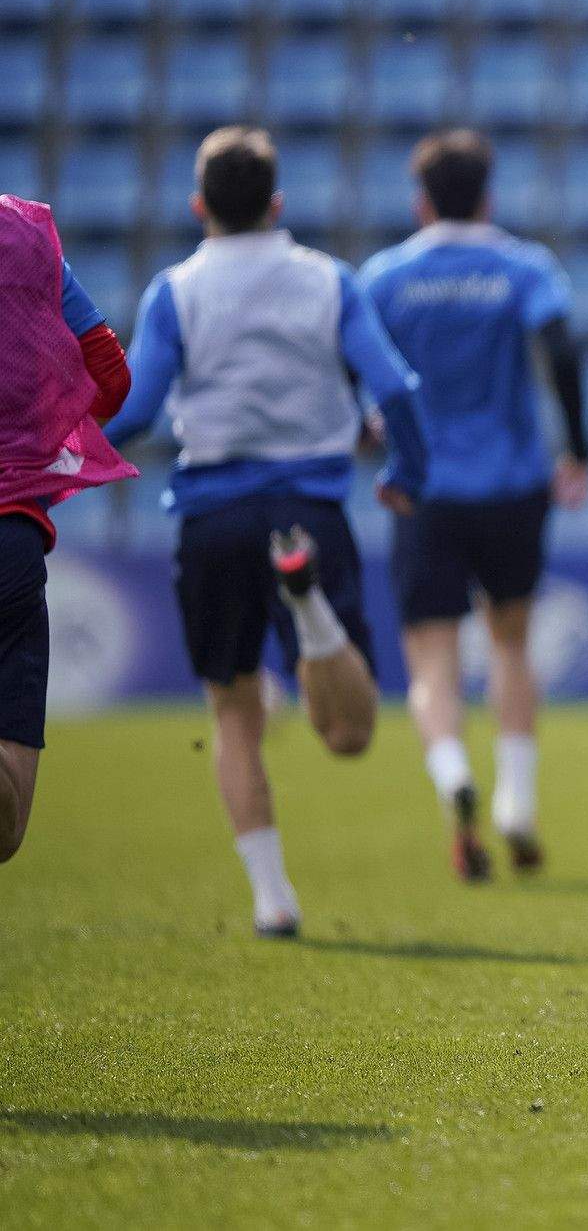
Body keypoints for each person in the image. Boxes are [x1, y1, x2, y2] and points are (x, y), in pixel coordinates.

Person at [103, 126, 428, 938]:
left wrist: (67, 451)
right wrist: (405, 474)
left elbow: (137, 409)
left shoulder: (174, 291)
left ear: (198, 205)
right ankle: (310, 611)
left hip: (212, 511)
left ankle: (272, 899)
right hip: (308, 509)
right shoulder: (329, 280)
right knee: (349, 734)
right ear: (279, 204)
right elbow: (395, 385)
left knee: (234, 711)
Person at [359, 129, 588, 883]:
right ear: (488, 196)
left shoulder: (386, 277)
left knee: (432, 655)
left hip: (424, 487)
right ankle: (517, 801)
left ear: (421, 200)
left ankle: (454, 771)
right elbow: (560, 350)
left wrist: (371, 437)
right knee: (512, 643)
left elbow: (351, 373)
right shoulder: (523, 266)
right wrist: (577, 449)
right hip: (514, 484)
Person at [0, 196, 136, 863]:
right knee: (7, 830)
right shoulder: (27, 231)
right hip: (12, 532)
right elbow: (110, 372)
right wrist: (47, 444)